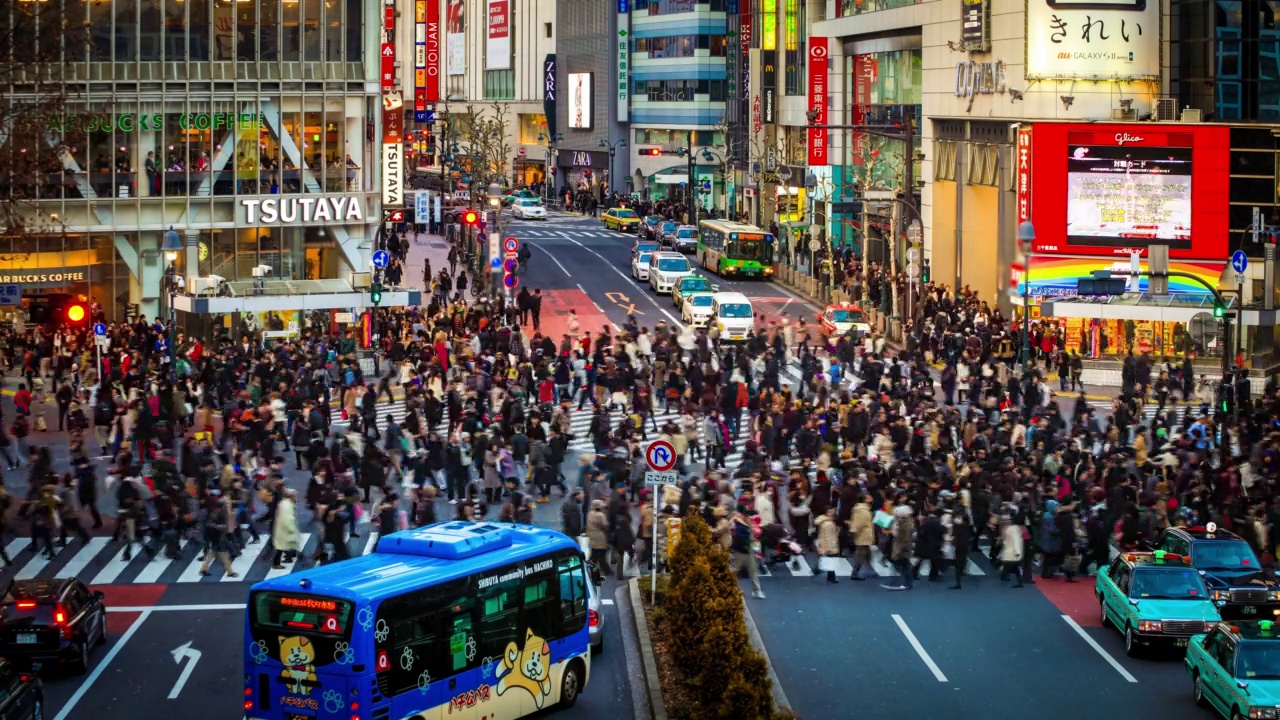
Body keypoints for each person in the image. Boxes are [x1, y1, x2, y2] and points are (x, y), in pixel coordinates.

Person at [815, 507, 842, 584]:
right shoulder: (828, 524)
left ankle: (830, 576)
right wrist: (831, 547)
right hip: (829, 544)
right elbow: (830, 537)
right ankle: (829, 576)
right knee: (831, 560)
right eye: (831, 512)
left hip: (824, 544)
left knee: (830, 560)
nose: (833, 513)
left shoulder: (825, 522)